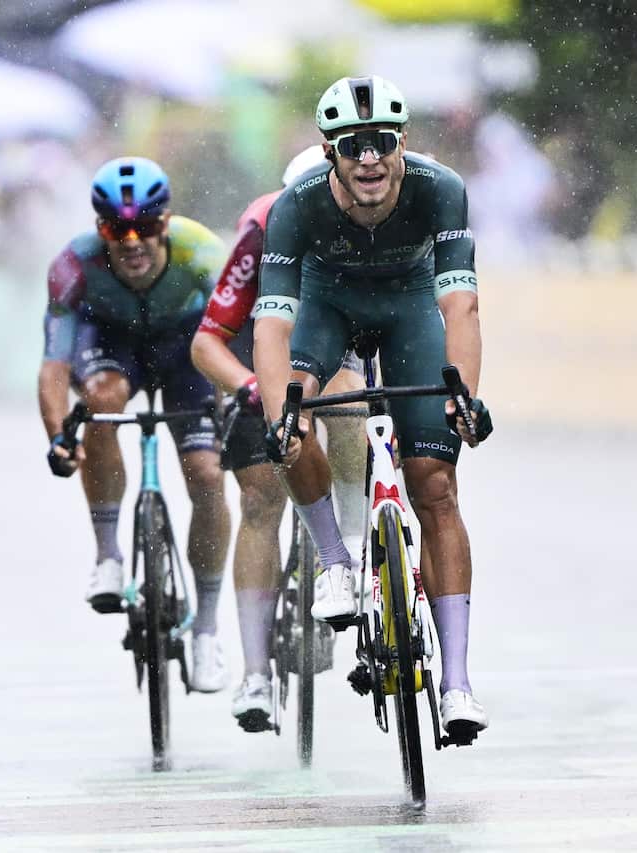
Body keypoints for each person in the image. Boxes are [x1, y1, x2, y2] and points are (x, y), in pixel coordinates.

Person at [252, 75, 493, 741]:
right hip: (326, 306)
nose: (368, 158)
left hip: (409, 309)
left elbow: (460, 306)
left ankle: (457, 683)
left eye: (381, 142)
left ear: (402, 142)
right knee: (295, 420)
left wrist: (464, 397)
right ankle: (334, 557)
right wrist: (279, 417)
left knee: (436, 487)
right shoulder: (296, 205)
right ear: (328, 149)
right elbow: (272, 326)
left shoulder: (441, 189)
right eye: (351, 145)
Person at [190, 146, 368, 731]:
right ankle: (255, 675)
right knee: (261, 499)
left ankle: (351, 547)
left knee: (351, 401)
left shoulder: (375, 213)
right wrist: (247, 386)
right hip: (262, 345)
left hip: (336, 340)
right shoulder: (260, 229)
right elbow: (208, 341)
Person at [40, 156, 232, 693]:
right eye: (115, 230)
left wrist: (238, 405)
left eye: (144, 226)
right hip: (111, 343)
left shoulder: (203, 254)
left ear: (166, 222)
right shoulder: (73, 265)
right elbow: (54, 366)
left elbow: (235, 337)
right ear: (98, 228)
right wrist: (58, 437)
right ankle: (108, 556)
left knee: (207, 474)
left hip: (186, 348)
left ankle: (207, 630)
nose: (131, 242)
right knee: (100, 403)